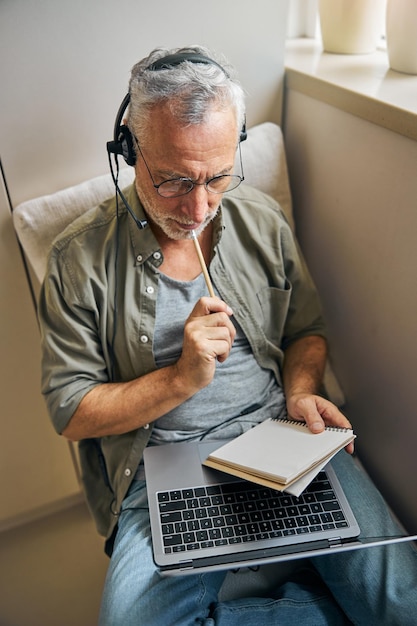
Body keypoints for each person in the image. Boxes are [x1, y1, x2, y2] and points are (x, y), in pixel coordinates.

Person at [38, 45, 417, 625]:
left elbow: (306, 330)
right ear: (129, 152)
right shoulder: (78, 261)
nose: (198, 207)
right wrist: (179, 378)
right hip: (164, 465)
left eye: (216, 178)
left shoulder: (261, 219)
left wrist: (300, 391)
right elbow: (71, 412)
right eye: (173, 182)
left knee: (403, 606)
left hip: (281, 438)